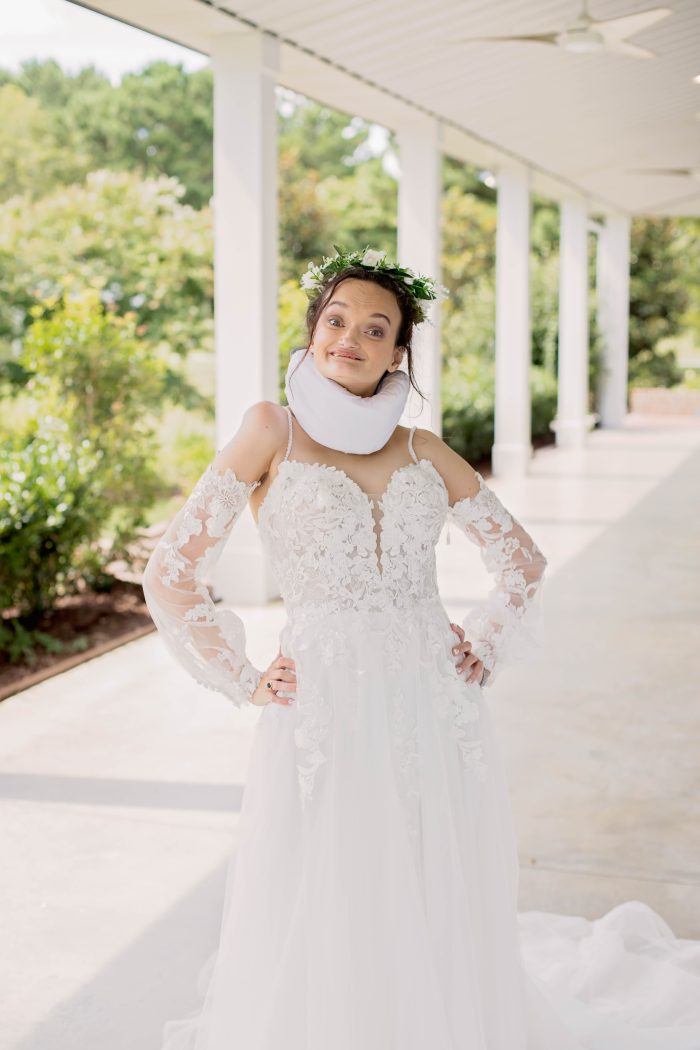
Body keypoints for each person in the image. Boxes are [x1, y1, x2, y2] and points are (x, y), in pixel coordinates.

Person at [142, 246, 700, 1050]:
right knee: (333, 877)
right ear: (312, 330)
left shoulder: (423, 449)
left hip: (432, 705)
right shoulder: (272, 429)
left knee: (430, 867)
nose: (350, 339)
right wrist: (243, 677)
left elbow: (523, 563)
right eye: (336, 321)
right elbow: (172, 572)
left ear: (398, 351)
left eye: (376, 328)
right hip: (323, 703)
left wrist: (485, 645)